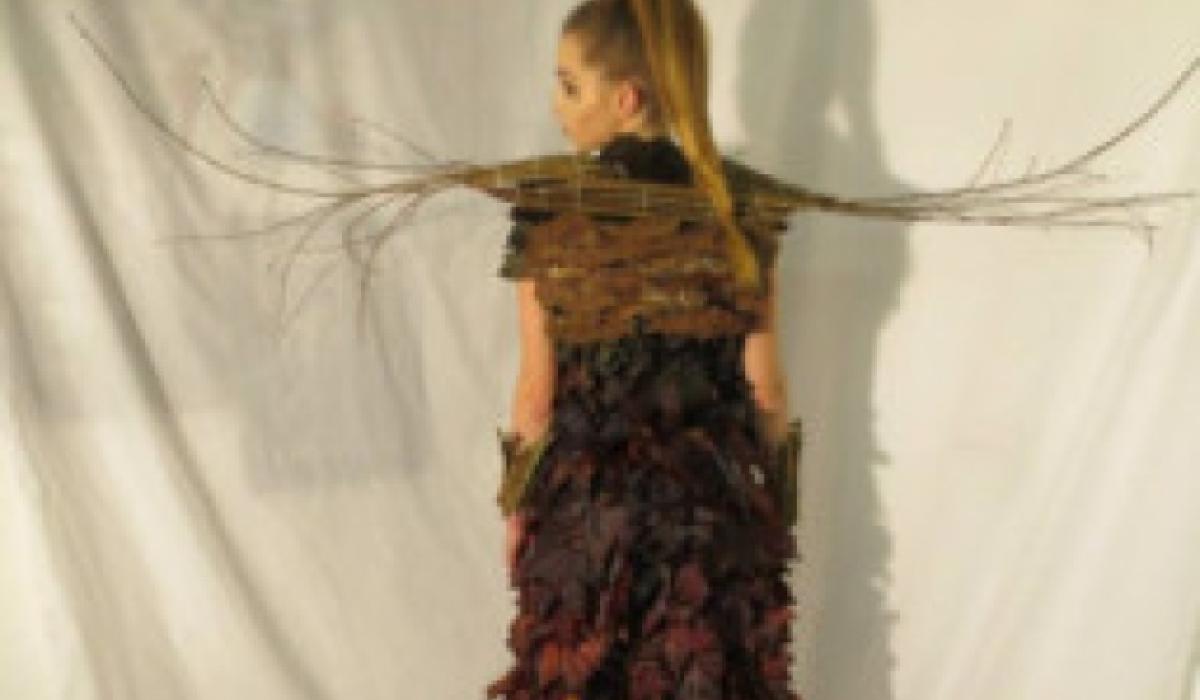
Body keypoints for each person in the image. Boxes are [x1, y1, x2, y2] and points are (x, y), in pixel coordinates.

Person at [488, 1, 803, 697]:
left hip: (587, 523)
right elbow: (766, 390)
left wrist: (518, 509)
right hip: (706, 525)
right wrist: (778, 510)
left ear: (626, 98)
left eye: (570, 86)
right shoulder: (739, 212)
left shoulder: (551, 213)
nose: (557, 105)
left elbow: (537, 396)